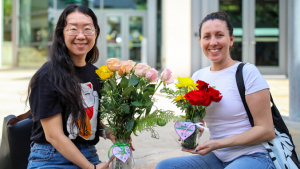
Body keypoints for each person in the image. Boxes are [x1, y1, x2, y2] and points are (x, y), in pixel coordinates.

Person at [156, 11, 276, 169]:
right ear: (200, 41)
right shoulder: (198, 76)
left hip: (254, 156)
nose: (213, 42)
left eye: (219, 35)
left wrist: (218, 143)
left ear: (231, 39)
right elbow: (200, 120)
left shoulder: (247, 72)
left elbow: (267, 130)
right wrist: (190, 133)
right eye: (207, 37)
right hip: (218, 157)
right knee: (165, 166)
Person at [26, 4, 134, 169]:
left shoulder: (96, 74)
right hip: (51, 159)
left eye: (88, 29)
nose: (81, 36)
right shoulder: (48, 76)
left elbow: (85, 120)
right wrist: (91, 168)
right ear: (62, 33)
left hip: (88, 154)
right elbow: (53, 135)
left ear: (96, 33)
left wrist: (107, 132)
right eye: (73, 29)